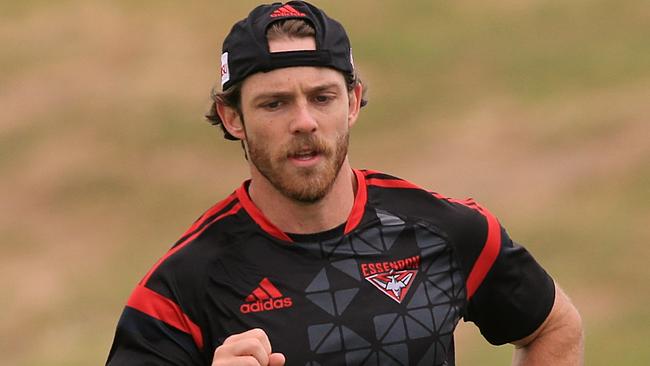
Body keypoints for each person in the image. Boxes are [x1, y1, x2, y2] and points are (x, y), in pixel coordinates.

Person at [106, 1, 584, 365]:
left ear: (352, 102)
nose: (304, 122)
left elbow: (555, 326)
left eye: (322, 97)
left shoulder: (447, 231)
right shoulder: (180, 287)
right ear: (233, 118)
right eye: (274, 104)